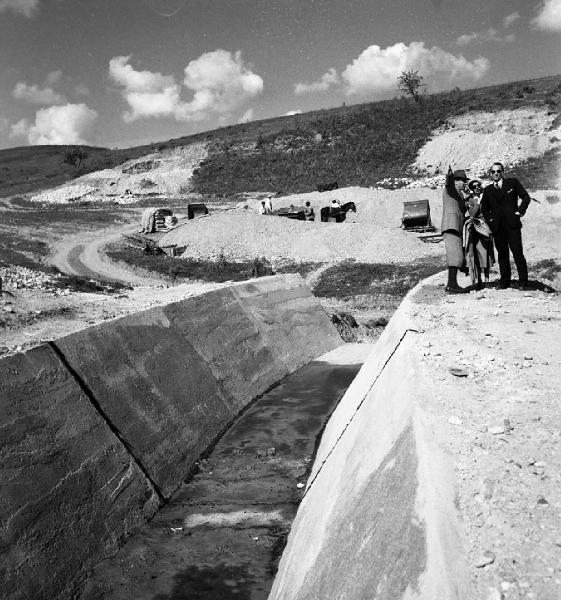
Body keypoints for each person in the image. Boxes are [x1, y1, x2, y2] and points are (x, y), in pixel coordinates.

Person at [480, 162, 531, 290]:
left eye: (498, 171)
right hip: (498, 228)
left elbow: (526, 197)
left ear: (502, 172)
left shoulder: (512, 183)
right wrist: (491, 221)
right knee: (502, 255)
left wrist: (519, 211)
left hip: (512, 225)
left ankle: (523, 282)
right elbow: (484, 209)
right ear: (490, 174)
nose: (496, 174)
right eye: (493, 172)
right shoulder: (487, 190)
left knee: (517, 253)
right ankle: (504, 282)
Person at [441, 167, 469, 294]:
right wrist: (449, 176)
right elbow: (448, 184)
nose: (465, 183)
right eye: (463, 181)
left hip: (457, 227)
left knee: (458, 256)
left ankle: (452, 284)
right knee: (455, 256)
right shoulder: (450, 190)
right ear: (456, 181)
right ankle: (451, 285)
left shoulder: (460, 195)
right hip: (451, 226)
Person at [463, 179, 495, 289]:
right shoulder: (469, 200)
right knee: (476, 255)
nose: (477, 187)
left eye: (478, 185)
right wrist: (477, 202)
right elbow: (472, 214)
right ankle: (479, 281)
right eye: (475, 186)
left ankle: (487, 280)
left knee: (486, 254)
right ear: (471, 189)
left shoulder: (487, 197)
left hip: (486, 229)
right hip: (476, 230)